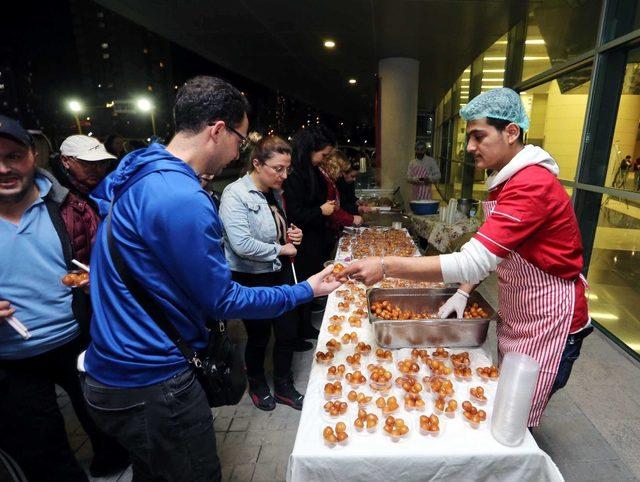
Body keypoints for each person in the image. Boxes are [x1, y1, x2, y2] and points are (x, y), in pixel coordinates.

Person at [80, 76, 341, 482]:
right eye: (240, 137)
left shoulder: (138, 170)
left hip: (112, 371)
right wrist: (305, 290)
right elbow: (223, 300)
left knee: (154, 472)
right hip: (152, 377)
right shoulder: (179, 195)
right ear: (218, 130)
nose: (239, 149)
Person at [342, 88, 591, 429]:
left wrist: (386, 265)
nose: (470, 147)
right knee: (505, 400)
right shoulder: (505, 181)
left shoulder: (532, 184)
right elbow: (489, 249)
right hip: (522, 310)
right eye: (469, 137)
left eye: (479, 136)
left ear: (511, 132)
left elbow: (472, 260)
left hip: (550, 318)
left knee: (514, 418)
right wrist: (462, 291)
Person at [0, 115, 128, 481]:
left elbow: (102, 259)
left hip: (79, 337)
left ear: (32, 155)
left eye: (13, 155)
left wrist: (97, 279)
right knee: (43, 452)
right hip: (12, 359)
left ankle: (113, 463)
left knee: (102, 418)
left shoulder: (71, 206)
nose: (4, 168)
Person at [220, 135, 306, 411]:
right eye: (278, 168)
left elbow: (279, 230)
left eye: (287, 168)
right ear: (257, 164)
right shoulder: (235, 194)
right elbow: (241, 244)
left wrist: (293, 235)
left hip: (278, 270)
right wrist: (282, 250)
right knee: (258, 335)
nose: (284, 174)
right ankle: (257, 382)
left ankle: (283, 384)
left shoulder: (276, 191)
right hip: (251, 275)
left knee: (287, 331)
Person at [284, 125, 339, 338]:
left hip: (315, 237)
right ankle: (298, 332)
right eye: (323, 154)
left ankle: (305, 327)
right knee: (304, 285)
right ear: (310, 149)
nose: (324, 159)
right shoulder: (295, 173)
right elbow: (296, 212)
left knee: (312, 283)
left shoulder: (312, 169)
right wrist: (320, 210)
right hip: (302, 241)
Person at [50, 135, 116, 206]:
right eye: (88, 163)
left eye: (103, 162)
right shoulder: (58, 197)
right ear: (65, 161)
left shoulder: (112, 187)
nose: (98, 169)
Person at [319, 154, 363, 233]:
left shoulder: (330, 181)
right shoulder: (325, 182)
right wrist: (351, 218)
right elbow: (332, 209)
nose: (341, 175)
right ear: (334, 168)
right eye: (340, 171)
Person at [333, 151, 373, 216]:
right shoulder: (337, 182)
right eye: (352, 176)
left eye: (356, 177)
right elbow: (341, 205)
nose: (354, 179)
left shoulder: (349, 182)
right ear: (343, 173)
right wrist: (358, 209)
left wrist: (356, 201)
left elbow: (351, 197)